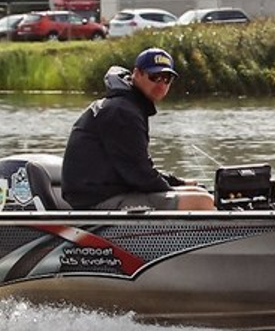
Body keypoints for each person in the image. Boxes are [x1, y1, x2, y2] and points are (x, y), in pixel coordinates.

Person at [62, 47, 216, 211]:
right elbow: (140, 175)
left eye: (167, 79)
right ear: (137, 73)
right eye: (155, 77)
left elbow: (136, 167)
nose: (161, 84)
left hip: (109, 192)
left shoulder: (127, 106)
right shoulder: (122, 112)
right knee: (201, 201)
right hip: (96, 202)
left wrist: (179, 183)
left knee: (198, 192)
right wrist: (174, 190)